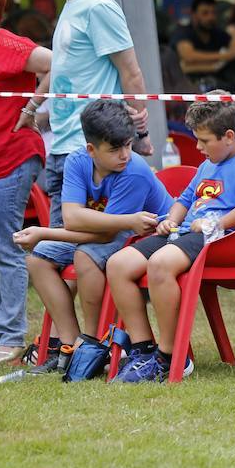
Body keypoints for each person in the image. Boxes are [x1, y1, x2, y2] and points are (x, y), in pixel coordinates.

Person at [106, 96, 235, 383]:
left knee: (159, 264)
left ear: (229, 137)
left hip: (222, 239)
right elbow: (183, 200)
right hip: (186, 233)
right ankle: (144, 350)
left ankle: (170, 357)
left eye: (204, 140)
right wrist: (171, 219)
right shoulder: (208, 165)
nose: (197, 147)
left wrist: (215, 223)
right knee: (118, 264)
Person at [13, 101, 171, 374]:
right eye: (114, 149)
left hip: (145, 239)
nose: (124, 154)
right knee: (37, 261)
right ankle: (70, 344)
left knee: (84, 256)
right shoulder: (76, 161)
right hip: (117, 228)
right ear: (91, 150)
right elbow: (74, 218)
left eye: (128, 145)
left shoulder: (134, 170)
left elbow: (105, 233)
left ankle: (94, 343)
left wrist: (43, 232)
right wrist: (43, 236)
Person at [41, 0, 152, 227]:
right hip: (66, 144)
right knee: (60, 255)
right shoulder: (75, 5)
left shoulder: (97, 5)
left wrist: (139, 135)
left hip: (89, 148)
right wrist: (31, 109)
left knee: (64, 253)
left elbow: (131, 72)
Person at [0, 0, 51, 364]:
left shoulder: (9, 44)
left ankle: (10, 339)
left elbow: (58, 65)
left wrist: (32, 110)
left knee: (3, 248)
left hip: (11, 155)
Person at [171, 0, 235, 89]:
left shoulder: (217, 33)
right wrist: (224, 57)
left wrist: (194, 66)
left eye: (213, 13)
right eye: (205, 13)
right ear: (194, 15)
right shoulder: (183, 32)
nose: (210, 17)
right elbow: (189, 56)